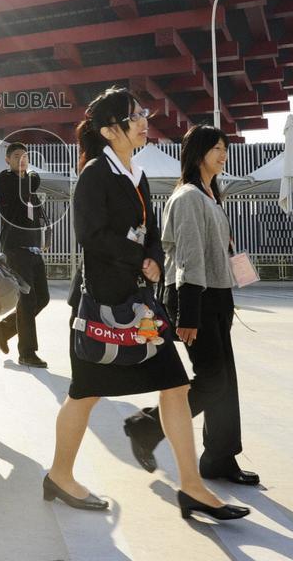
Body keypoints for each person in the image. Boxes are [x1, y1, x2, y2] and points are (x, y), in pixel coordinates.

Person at [42, 87, 248, 522]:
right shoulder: (96, 174)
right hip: (102, 306)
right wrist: (141, 258)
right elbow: (90, 234)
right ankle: (60, 475)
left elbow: (151, 229)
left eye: (141, 113)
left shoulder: (135, 174)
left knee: (174, 383)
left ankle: (191, 487)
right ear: (109, 131)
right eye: (134, 116)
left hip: (141, 308)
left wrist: (153, 255)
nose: (143, 121)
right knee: (84, 395)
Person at [122, 125, 260, 487]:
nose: (223, 154)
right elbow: (186, 260)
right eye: (216, 148)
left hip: (218, 296)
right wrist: (188, 314)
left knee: (224, 381)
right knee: (212, 380)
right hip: (195, 297)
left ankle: (220, 457)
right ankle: (147, 426)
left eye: (224, 147)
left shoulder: (212, 196)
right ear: (197, 152)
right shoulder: (187, 198)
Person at [0, 141, 51, 368]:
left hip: (33, 248)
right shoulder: (5, 180)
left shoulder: (29, 181)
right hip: (16, 248)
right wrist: (25, 175)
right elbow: (17, 201)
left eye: (25, 156)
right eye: (16, 155)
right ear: (7, 160)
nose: (22, 159)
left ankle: (3, 329)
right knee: (27, 300)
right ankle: (27, 353)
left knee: (43, 298)